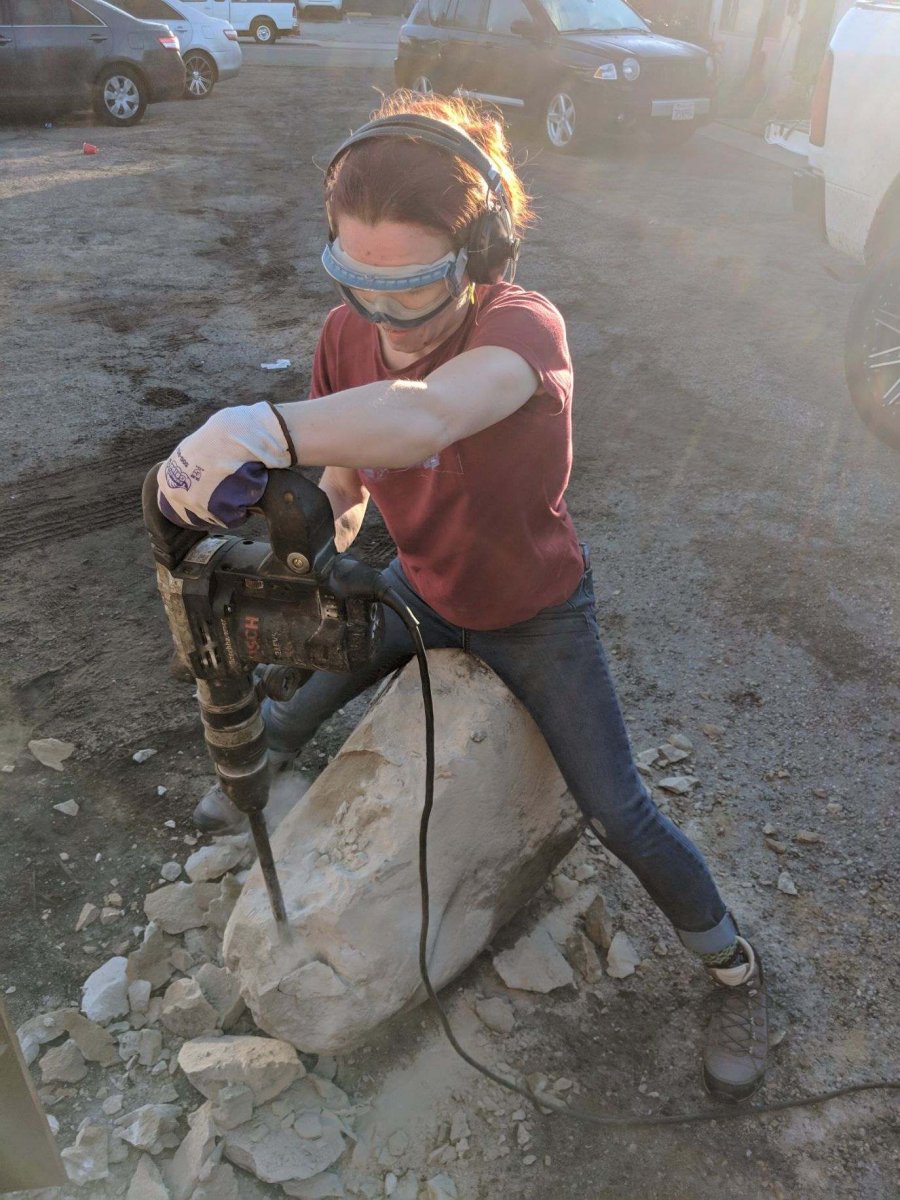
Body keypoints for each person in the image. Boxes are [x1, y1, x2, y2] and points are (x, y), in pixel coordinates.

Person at [156, 93, 769, 1102]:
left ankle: (730, 963)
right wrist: (314, 547)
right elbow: (353, 483)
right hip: (423, 588)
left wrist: (259, 427)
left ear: (478, 254)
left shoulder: (522, 332)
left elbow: (425, 418)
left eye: (413, 289)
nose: (384, 319)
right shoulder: (344, 338)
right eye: (359, 283)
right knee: (290, 702)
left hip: (536, 613)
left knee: (620, 809)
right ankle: (259, 804)